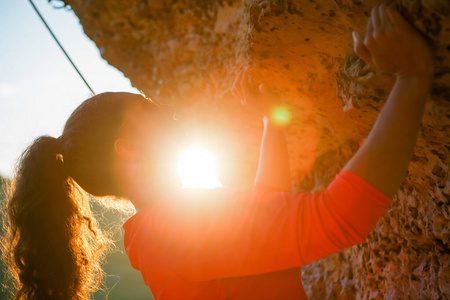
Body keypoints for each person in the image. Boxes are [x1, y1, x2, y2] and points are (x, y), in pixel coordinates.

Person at [1, 4, 433, 300]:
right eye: (149, 110)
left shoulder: (162, 229)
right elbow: (339, 219)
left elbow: (266, 207)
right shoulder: (171, 230)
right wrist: (412, 77)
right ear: (129, 148)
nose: (166, 112)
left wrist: (273, 123)